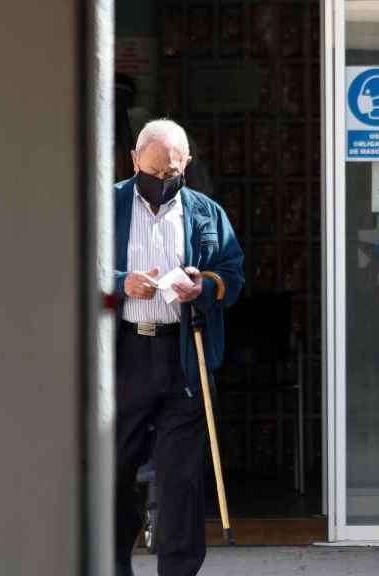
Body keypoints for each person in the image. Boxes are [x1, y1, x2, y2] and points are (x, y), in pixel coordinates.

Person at [113, 119, 244, 576]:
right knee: (115, 473)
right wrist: (121, 283)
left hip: (183, 355)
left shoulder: (206, 212)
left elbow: (233, 274)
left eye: (171, 173)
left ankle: (179, 571)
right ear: (134, 161)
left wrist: (202, 286)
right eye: (152, 172)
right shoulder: (107, 205)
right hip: (123, 356)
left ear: (185, 163)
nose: (161, 182)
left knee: (180, 479)